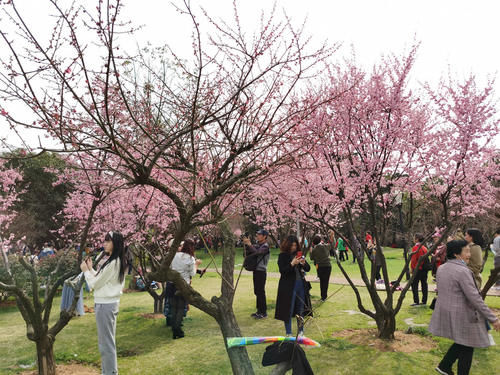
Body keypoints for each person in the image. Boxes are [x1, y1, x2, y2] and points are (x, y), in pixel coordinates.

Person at [429, 240, 500, 375]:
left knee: (465, 344)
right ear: (456, 254)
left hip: (450, 313)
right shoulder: (462, 271)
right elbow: (475, 298)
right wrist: (493, 319)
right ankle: (445, 366)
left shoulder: (442, 268)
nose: (469, 254)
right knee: (467, 345)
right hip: (465, 316)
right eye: (466, 251)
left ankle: (444, 366)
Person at [81, 231, 127, 375]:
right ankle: (108, 371)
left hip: (105, 305)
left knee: (106, 343)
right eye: (105, 241)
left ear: (116, 243)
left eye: (108, 241)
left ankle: (109, 372)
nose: (104, 244)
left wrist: (85, 272)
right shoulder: (115, 261)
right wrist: (90, 269)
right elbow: (101, 279)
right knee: (106, 342)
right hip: (107, 304)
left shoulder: (114, 262)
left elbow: (95, 284)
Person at [275, 235, 312, 336]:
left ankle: (301, 331)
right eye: (292, 245)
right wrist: (292, 264)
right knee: (288, 309)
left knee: (300, 309)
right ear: (287, 245)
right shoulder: (282, 256)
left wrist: (303, 263)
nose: (294, 247)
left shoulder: (298, 254)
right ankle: (288, 333)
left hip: (300, 284)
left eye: (295, 245)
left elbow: (308, 268)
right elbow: (283, 271)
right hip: (288, 286)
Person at [168, 239, 202, 339]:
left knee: (174, 308)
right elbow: (192, 273)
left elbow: (170, 267)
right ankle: (177, 329)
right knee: (180, 308)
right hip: (183, 285)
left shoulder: (175, 255)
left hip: (172, 283)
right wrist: (196, 264)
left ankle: (175, 329)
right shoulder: (190, 258)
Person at [243, 229, 270, 319]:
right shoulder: (258, 245)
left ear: (264, 236)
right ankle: (259, 311)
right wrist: (246, 245)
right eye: (257, 234)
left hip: (261, 272)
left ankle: (264, 312)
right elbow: (248, 252)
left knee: (260, 292)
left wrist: (250, 244)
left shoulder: (265, 246)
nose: (257, 236)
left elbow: (257, 253)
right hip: (256, 271)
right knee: (257, 291)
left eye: (259, 234)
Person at [309, 235, 331, 302]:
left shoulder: (314, 249)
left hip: (320, 267)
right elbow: (331, 245)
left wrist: (310, 251)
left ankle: (322, 296)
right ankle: (324, 296)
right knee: (326, 281)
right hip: (327, 266)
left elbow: (311, 258)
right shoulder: (324, 246)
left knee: (322, 281)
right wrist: (332, 236)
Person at [410, 234, 429, 306]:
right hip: (424, 268)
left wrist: (412, 268)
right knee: (424, 284)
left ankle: (416, 301)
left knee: (414, 284)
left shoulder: (416, 248)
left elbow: (414, 260)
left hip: (417, 269)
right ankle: (424, 301)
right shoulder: (424, 248)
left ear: (417, 239)